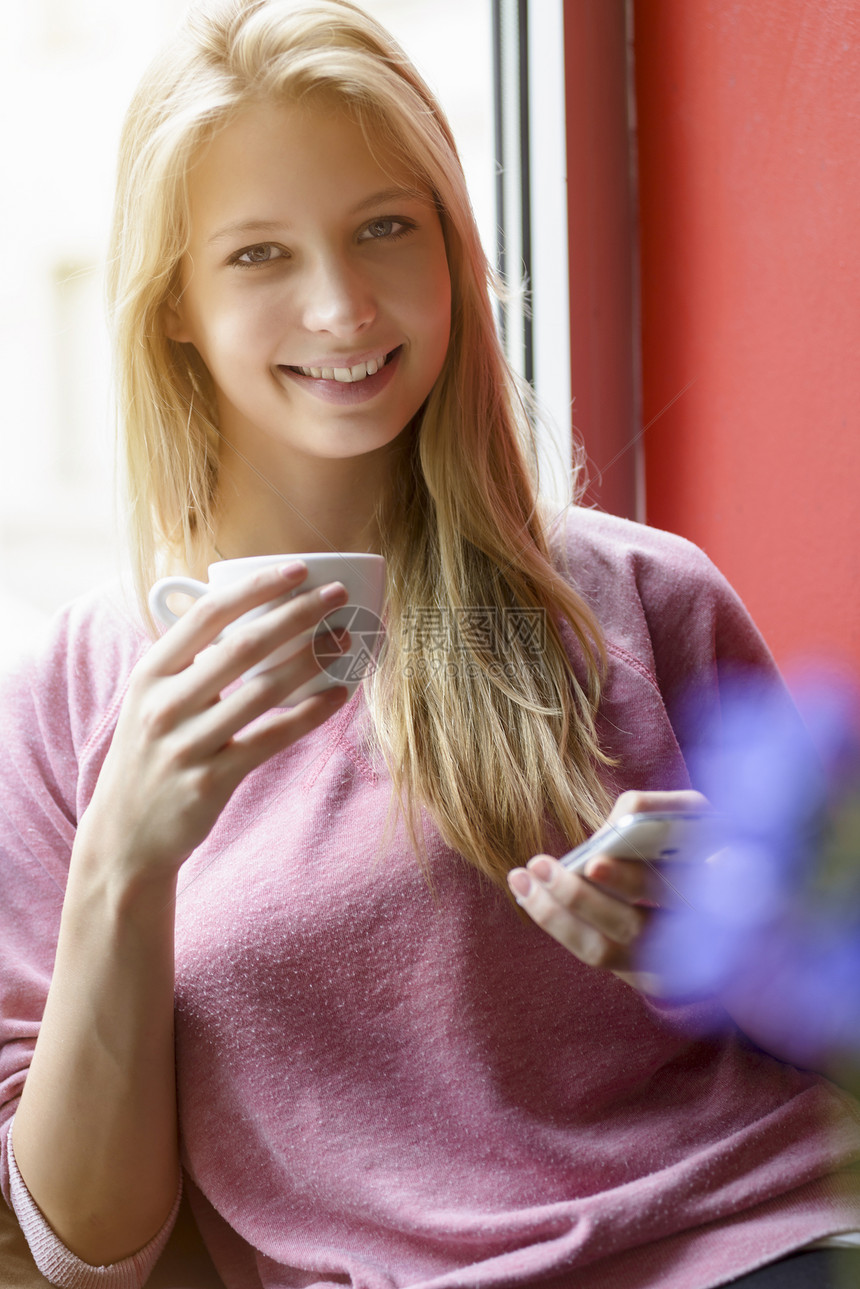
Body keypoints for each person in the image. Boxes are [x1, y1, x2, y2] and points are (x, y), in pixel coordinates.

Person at [1, 2, 858, 1286]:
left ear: (452, 248)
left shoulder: (643, 595)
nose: (342, 306)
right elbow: (86, 1249)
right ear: (171, 302)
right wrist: (126, 856)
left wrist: (726, 949)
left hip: (771, 1241)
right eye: (257, 256)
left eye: (383, 229)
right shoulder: (70, 696)